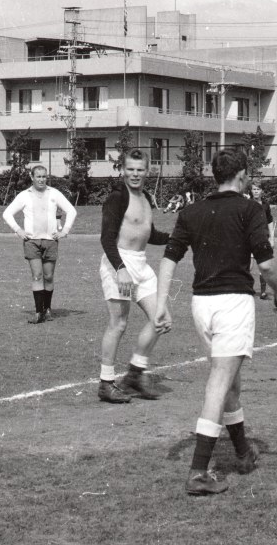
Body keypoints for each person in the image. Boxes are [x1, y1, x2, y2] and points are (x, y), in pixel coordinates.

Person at [154, 149, 277, 496]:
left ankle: (243, 453)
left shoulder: (192, 210)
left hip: (202, 305)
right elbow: (268, 266)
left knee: (230, 383)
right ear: (242, 175)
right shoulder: (250, 209)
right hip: (232, 304)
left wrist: (161, 304)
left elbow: (169, 258)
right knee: (219, 381)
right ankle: (198, 472)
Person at [96, 148, 171, 404]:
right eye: (130, 169)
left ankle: (135, 374)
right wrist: (121, 270)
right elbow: (106, 238)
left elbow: (150, 235)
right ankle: (106, 383)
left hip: (141, 266)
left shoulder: (147, 197)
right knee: (119, 323)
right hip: (121, 264)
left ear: (147, 171)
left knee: (160, 318)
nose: (135, 174)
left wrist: (181, 237)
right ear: (123, 169)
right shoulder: (117, 197)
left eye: (140, 169)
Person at [3, 166, 77, 324]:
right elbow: (7, 213)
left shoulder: (54, 193)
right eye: (38, 176)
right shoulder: (24, 195)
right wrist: (18, 230)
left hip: (50, 241)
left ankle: (47, 309)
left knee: (48, 277)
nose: (41, 179)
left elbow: (71, 211)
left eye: (44, 176)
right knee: (37, 276)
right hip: (32, 242)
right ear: (32, 177)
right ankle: (38, 313)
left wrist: (64, 231)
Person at [249, 182, 275, 299]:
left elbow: (269, 221)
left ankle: (263, 292)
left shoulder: (265, 205)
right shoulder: (247, 204)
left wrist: (272, 238)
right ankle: (247, 289)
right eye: (254, 189)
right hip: (249, 239)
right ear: (251, 191)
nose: (256, 191)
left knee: (263, 266)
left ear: (261, 191)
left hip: (263, 239)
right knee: (248, 267)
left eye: (258, 189)